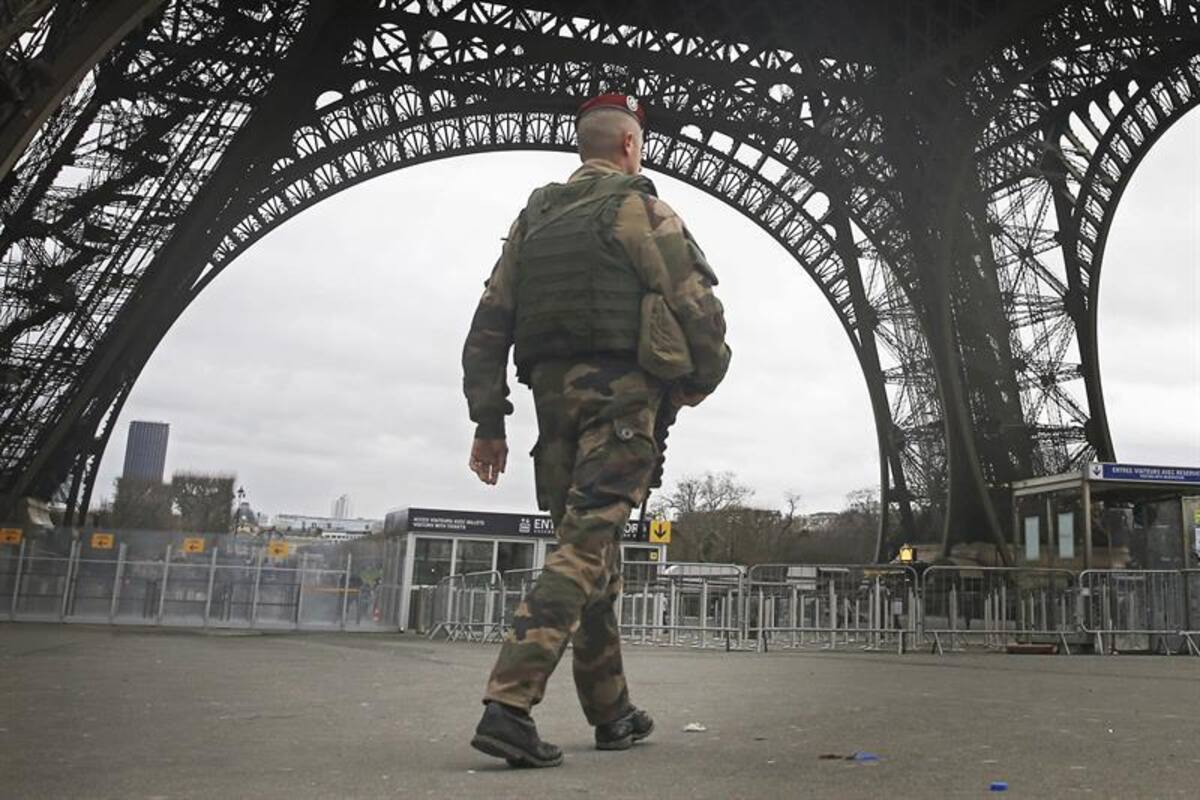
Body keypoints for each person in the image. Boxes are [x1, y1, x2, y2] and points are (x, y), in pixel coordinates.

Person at [461, 93, 731, 768]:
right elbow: (697, 308)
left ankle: (612, 713)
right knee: (585, 547)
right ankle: (509, 703)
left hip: (552, 404)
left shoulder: (532, 221)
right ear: (631, 146)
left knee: (595, 555)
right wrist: (703, 377)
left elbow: (488, 325)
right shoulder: (642, 210)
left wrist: (489, 421)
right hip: (620, 401)